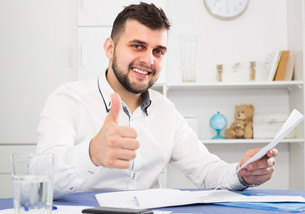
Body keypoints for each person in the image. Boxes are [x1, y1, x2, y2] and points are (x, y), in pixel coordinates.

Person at [36, 2, 277, 199]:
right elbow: (41, 179)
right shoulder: (68, 99)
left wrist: (242, 173)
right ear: (110, 48)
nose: (149, 60)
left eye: (158, 51)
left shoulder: (166, 110)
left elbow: (205, 171)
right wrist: (91, 154)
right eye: (137, 46)